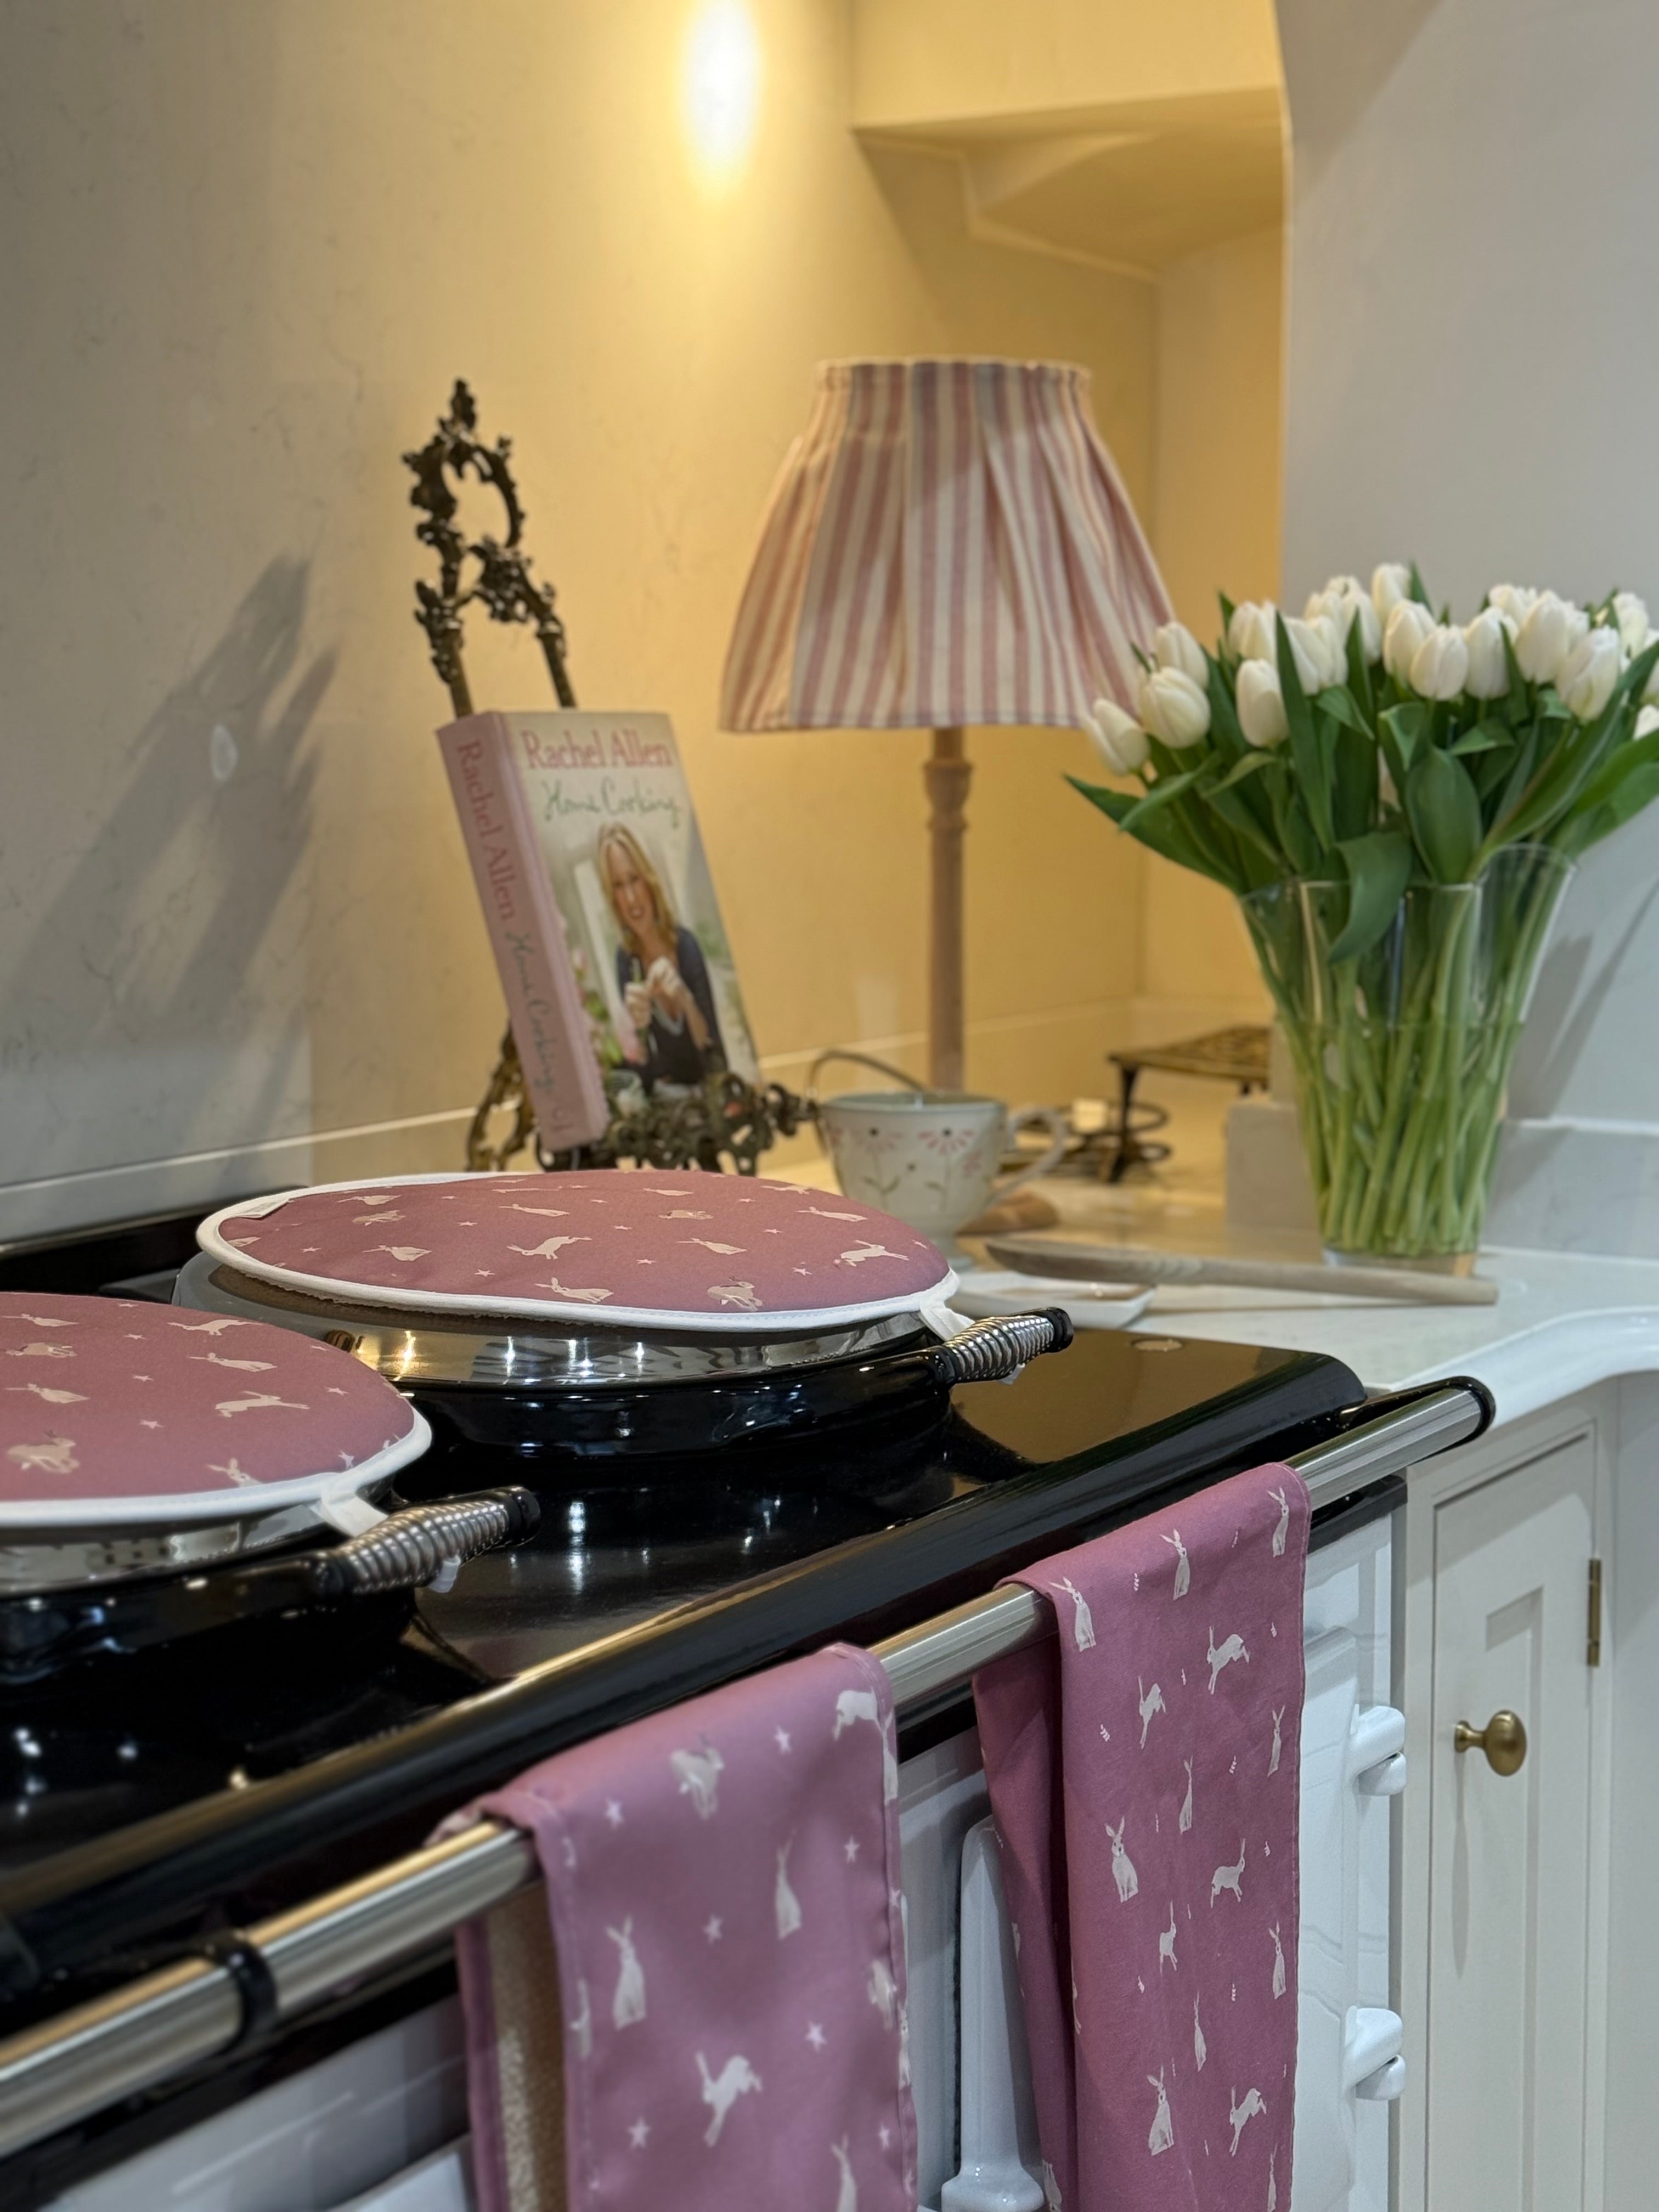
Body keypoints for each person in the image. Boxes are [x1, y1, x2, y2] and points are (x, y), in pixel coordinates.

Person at [596, 823, 726, 1088]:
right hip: (672, 1102)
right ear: (613, 898)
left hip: (709, 1094)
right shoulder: (626, 960)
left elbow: (713, 1050)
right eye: (619, 886)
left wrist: (685, 1000)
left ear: (649, 881)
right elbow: (644, 1070)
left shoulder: (685, 945)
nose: (631, 898)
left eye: (634, 879)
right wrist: (634, 1032)